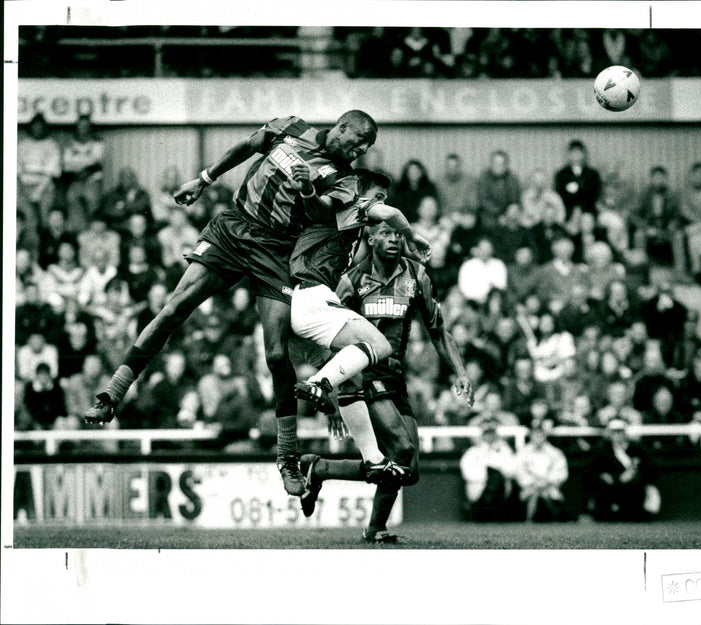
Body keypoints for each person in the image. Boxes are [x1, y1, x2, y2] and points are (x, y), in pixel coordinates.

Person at [84, 110, 380, 496]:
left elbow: (324, 215)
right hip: (234, 227)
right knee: (174, 308)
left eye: (366, 147)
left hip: (277, 251)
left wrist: (308, 191)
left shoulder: (346, 178)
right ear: (341, 127)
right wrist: (205, 180)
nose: (360, 150)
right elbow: (247, 146)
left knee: (276, 356)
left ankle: (287, 458)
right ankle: (112, 395)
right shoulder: (291, 127)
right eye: (357, 141)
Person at [297, 218, 473, 542]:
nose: (393, 239)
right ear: (371, 238)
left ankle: (319, 469)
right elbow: (327, 338)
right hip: (363, 374)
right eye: (385, 233)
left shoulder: (417, 276)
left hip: (395, 375)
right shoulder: (351, 280)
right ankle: (376, 527)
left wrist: (460, 371)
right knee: (402, 448)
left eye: (397, 234)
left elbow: (437, 328)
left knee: (410, 469)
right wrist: (334, 394)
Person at [288, 169, 432, 483]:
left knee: (356, 370)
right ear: (361, 192)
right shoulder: (353, 204)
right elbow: (390, 213)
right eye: (378, 196)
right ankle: (318, 383)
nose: (381, 204)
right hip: (312, 294)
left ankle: (373, 459)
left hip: (306, 300)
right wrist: (411, 234)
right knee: (380, 346)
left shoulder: (348, 227)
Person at [588, 419, 660, 521]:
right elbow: (592, 470)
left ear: (625, 432)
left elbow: (651, 470)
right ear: (609, 433)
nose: (617, 435)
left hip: (634, 490)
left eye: (620, 431)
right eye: (614, 432)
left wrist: (635, 475)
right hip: (611, 489)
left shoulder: (638, 449)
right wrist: (612, 477)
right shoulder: (602, 450)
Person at [459, 416, 520, 522]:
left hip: (500, 495)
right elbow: (468, 473)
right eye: (487, 433)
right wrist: (488, 474)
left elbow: (512, 470)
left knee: (496, 476)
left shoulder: (504, 450)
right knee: (493, 476)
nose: (489, 437)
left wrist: (495, 469)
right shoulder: (473, 452)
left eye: (492, 433)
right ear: (482, 435)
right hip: (479, 492)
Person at [515, 422, 570, 521]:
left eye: (540, 435)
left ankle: (551, 516)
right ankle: (530, 518)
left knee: (551, 496)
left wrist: (547, 482)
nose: (538, 438)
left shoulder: (555, 453)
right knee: (532, 496)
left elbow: (561, 472)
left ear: (545, 436)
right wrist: (533, 483)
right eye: (535, 435)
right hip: (529, 488)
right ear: (531, 436)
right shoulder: (523, 453)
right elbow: (519, 472)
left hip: (550, 488)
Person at [61, 113, 104, 233]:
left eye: (86, 125)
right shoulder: (69, 143)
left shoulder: (97, 142)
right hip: (75, 180)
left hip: (92, 179)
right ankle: (80, 233)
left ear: (90, 127)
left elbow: (95, 162)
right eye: (81, 125)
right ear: (76, 127)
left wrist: (79, 165)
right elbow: (66, 164)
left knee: (92, 202)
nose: (83, 128)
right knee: (72, 199)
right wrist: (83, 163)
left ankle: (94, 232)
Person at [553, 139, 602, 225]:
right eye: (573, 152)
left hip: (588, 211)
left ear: (584, 154)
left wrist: (577, 188)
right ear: (569, 155)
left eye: (579, 152)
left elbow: (594, 193)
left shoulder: (592, 174)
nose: (576, 155)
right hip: (567, 212)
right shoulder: (562, 174)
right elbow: (560, 193)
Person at [476, 150, 522, 227]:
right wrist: (499, 214)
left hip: (508, 214)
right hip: (489, 214)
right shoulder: (483, 178)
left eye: (501, 163)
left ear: (506, 165)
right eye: (495, 163)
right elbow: (483, 200)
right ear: (491, 164)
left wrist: (507, 215)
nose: (498, 166)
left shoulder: (513, 179)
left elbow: (515, 200)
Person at [435, 153, 478, 218]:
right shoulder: (439, 182)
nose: (452, 169)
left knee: (470, 222)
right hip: (445, 216)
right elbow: (438, 204)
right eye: (449, 166)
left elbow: (473, 204)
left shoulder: (469, 181)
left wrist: (460, 214)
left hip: (465, 215)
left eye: (455, 166)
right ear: (446, 167)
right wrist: (450, 214)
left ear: (459, 166)